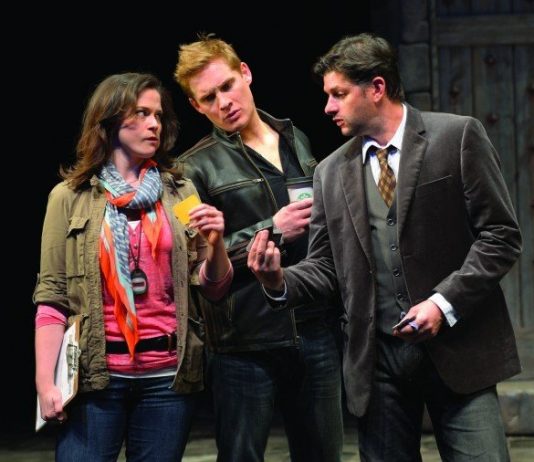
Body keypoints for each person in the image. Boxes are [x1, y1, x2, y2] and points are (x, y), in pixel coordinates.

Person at [248, 33, 522, 461]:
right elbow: (326, 266)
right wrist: (278, 280)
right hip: (378, 363)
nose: (328, 107)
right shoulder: (330, 172)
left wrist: (442, 303)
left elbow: (500, 236)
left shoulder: (456, 136)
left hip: (459, 349)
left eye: (339, 94)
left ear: (376, 87)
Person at [33, 72, 233, 461]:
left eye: (158, 115)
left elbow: (213, 287)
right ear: (108, 120)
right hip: (95, 377)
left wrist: (216, 244)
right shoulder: (69, 197)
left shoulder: (180, 192)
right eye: (141, 113)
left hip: (167, 377)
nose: (154, 124)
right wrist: (45, 383)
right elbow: (52, 298)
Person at [174, 35, 343, 461]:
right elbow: (192, 259)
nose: (223, 102)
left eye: (227, 86)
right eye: (209, 98)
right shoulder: (189, 169)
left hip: (313, 327)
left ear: (245, 73)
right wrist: (272, 228)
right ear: (196, 106)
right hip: (243, 342)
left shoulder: (295, 137)